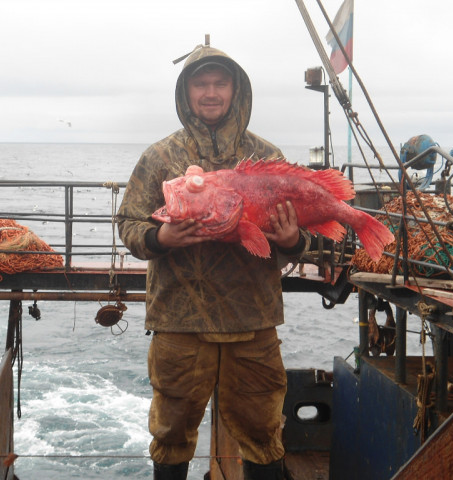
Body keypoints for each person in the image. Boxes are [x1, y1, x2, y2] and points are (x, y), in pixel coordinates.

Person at [117, 43, 309, 480]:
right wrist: (160, 237)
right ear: (185, 93)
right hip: (180, 323)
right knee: (171, 433)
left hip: (253, 322)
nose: (210, 92)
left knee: (263, 432)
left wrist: (293, 239)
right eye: (200, 84)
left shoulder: (267, 157)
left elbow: (304, 239)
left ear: (235, 90)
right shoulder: (159, 157)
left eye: (220, 83)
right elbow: (128, 223)